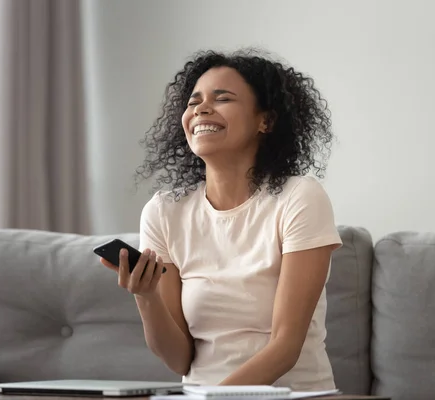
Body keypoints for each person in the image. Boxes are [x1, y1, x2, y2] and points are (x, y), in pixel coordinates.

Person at [100, 48, 342, 391]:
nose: (200, 108)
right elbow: (179, 359)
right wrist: (146, 296)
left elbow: (286, 347)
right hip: (201, 396)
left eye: (222, 98)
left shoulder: (298, 197)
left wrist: (213, 399)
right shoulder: (164, 211)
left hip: (290, 395)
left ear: (266, 121)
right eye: (193, 101)